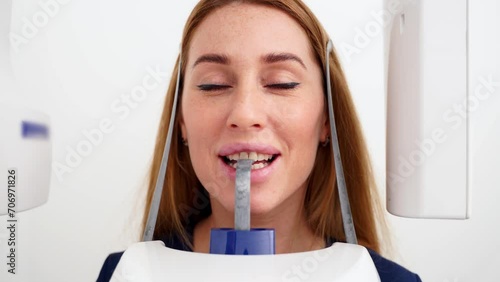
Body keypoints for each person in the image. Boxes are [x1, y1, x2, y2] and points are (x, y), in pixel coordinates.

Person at [98, 0, 422, 281]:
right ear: (180, 121)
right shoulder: (124, 274)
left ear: (327, 119)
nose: (245, 112)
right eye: (213, 85)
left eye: (282, 83)